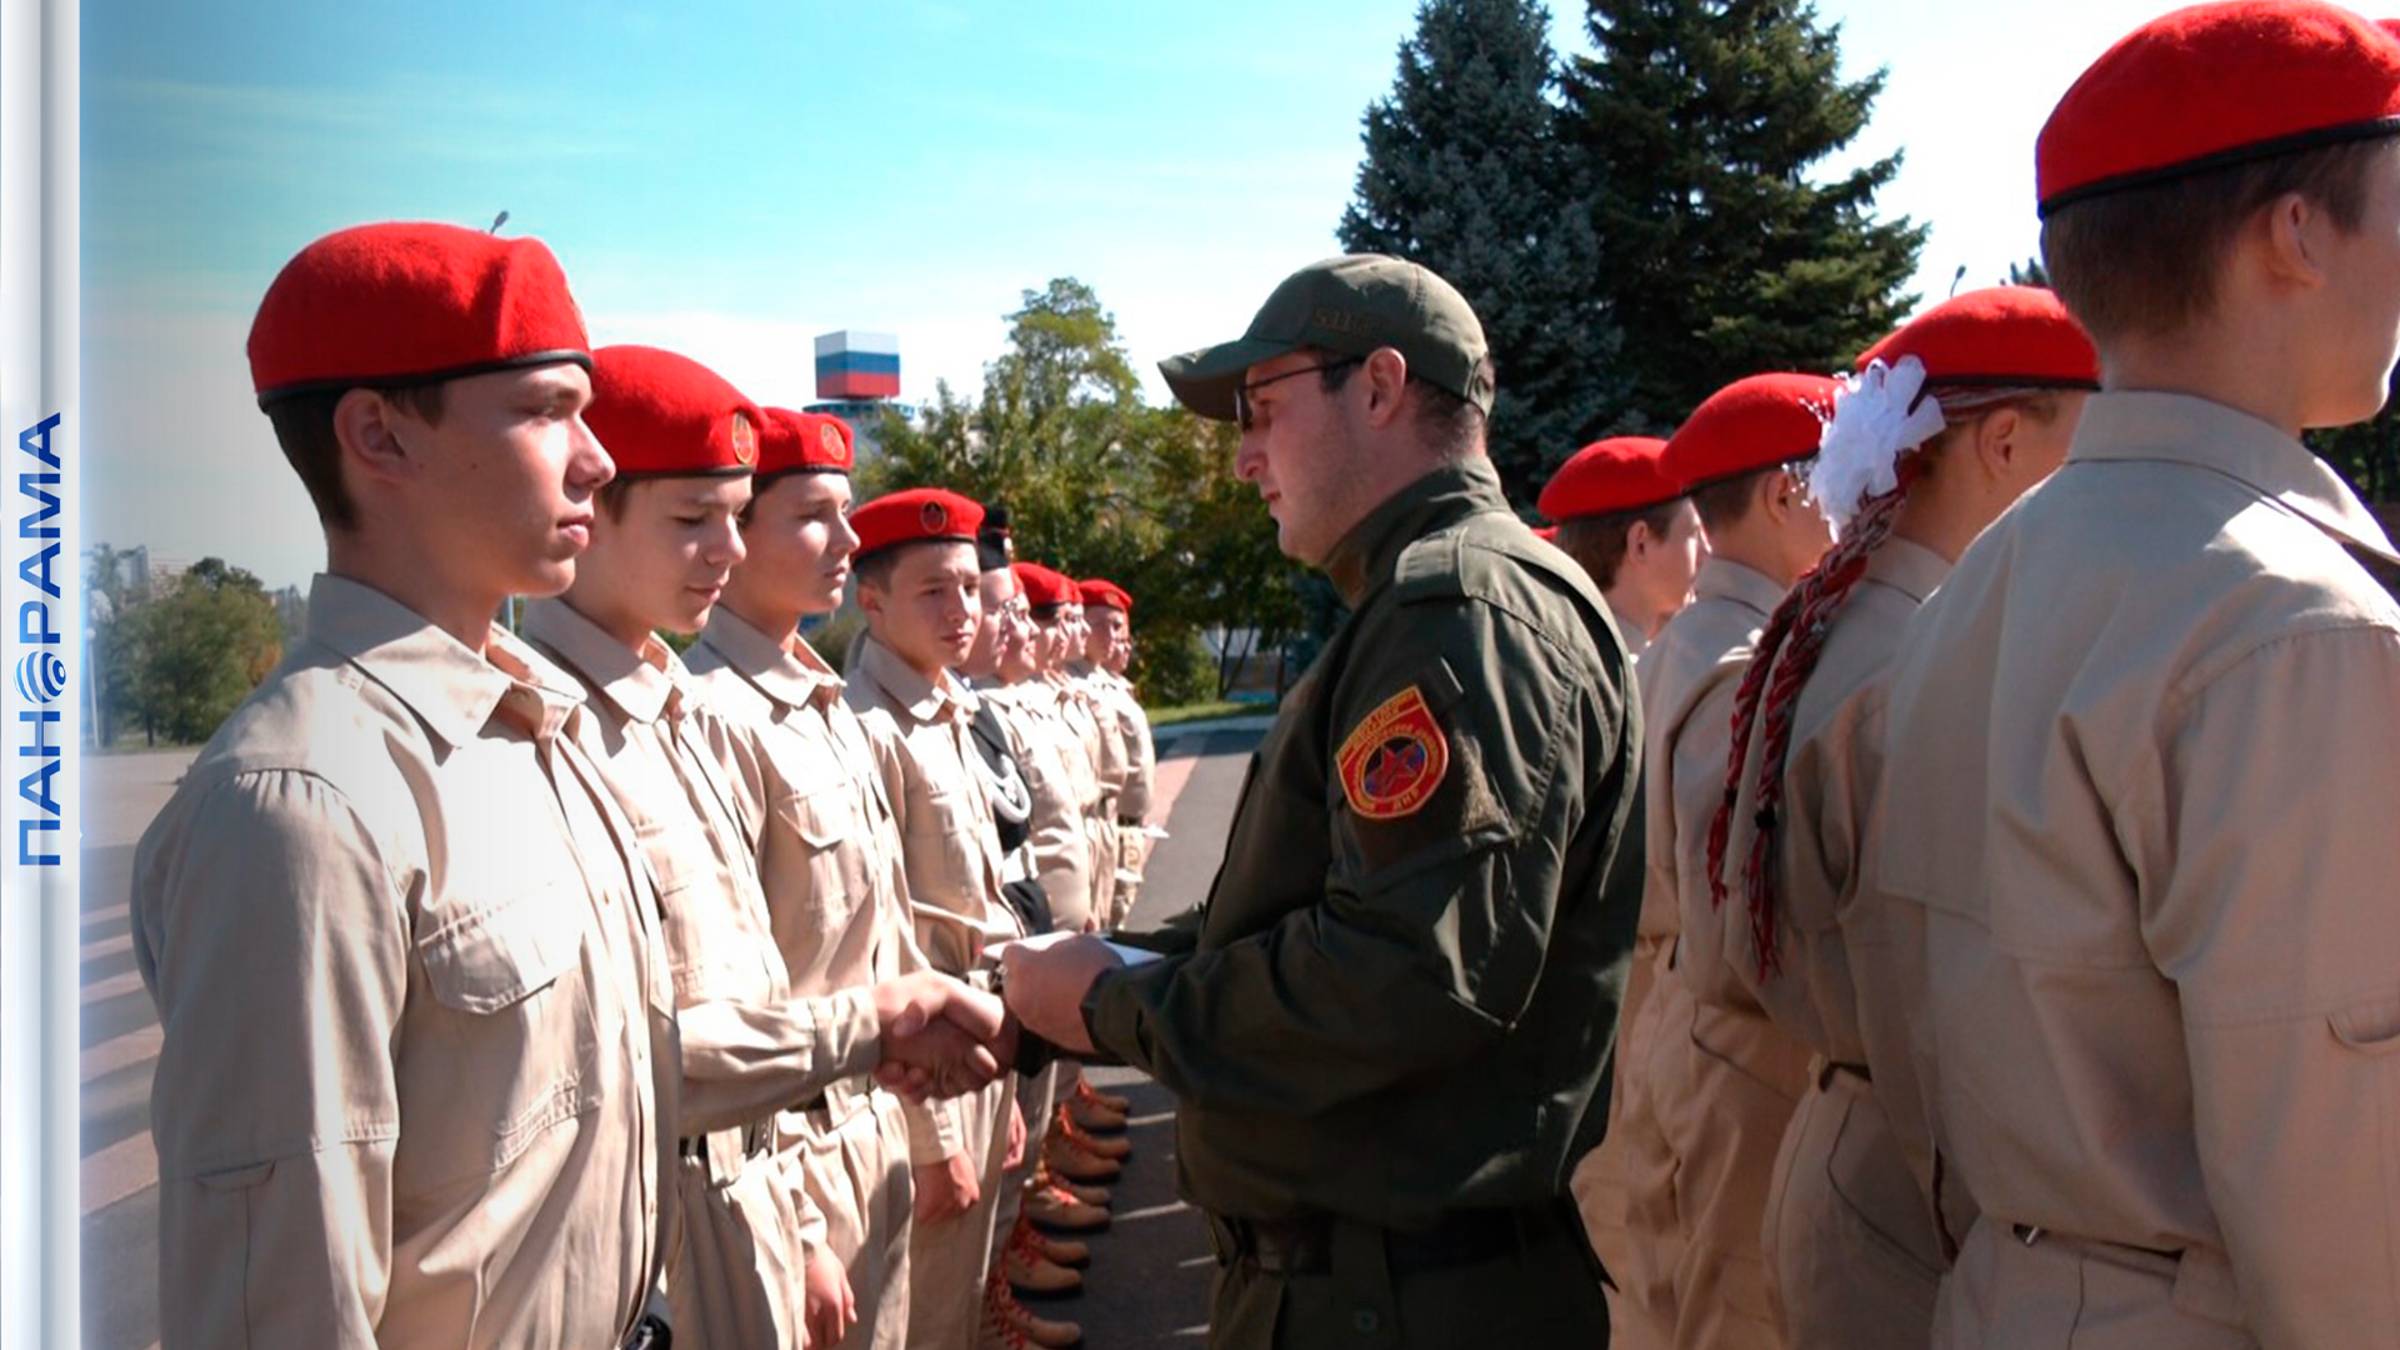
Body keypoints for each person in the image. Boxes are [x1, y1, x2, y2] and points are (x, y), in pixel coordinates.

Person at [1871, 5, 2400, 1344]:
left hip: (2010, 1290)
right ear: (2293, 234)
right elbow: (2342, 1210)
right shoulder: (2293, 625)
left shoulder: (1977, 582)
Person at [1001, 253, 1638, 1348]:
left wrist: (1112, 1010)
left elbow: (1403, 974)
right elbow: (1319, 914)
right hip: (1378, 1287)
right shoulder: (1424, 602)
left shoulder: (1456, 612)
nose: (1244, 458)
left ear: (1381, 387)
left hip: (1395, 1299)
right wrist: (1071, 985)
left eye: (1262, 409)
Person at [129, 220, 679, 1349]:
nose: (598, 458)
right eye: (543, 410)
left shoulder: (524, 725)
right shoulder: (299, 805)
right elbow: (281, 1313)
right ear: (378, 435)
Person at [527, 346, 1010, 1348]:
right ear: (591, 507)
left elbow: (785, 965)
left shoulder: (673, 715)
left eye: (736, 517)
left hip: (818, 1143)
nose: (731, 550)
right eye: (697, 519)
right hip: (707, 1205)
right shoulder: (562, 732)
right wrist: (799, 1225)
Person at [1697, 292, 2095, 1349]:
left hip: (1849, 1140)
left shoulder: (1846, 624)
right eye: (2083, 453)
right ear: (2005, 444)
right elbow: (1948, 1009)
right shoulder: (1920, 660)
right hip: (1912, 1184)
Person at [685, 406, 964, 1350]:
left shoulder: (821, 704)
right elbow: (731, 999)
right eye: (813, 516)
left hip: (875, 1117)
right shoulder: (712, 718)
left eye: (846, 514)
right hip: (793, 1154)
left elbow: (889, 941)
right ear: (736, 530)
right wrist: (795, 1231)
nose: (848, 540)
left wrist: (931, 1138)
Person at [1595, 372, 1836, 1350]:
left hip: (1677, 1012)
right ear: (1784, 493)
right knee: (1723, 1314)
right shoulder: (1739, 664)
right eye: (1843, 483)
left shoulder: (1697, 644)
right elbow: (1739, 913)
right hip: (1724, 1040)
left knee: (1667, 1293)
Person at [845, 488, 1029, 1350]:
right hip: (926, 1079)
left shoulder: (944, 704)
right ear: (870, 598)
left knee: (959, 1303)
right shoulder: (867, 729)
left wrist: (1006, 1076)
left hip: (977, 1053)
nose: (963, 610)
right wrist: (934, 1138)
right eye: (933, 591)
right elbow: (887, 950)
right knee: (924, 1321)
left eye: (967, 586)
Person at [1538, 436, 1708, 658]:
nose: (1707, 553)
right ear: (1640, 544)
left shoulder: (1559, 650)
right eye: (1694, 534)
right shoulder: (1612, 669)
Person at [1077, 577, 1157, 927]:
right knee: (1105, 921)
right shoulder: (1075, 687)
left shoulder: (1106, 683)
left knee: (1118, 914)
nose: (1114, 637)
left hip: (1127, 824)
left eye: (1119, 627)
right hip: (1107, 822)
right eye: (1104, 626)